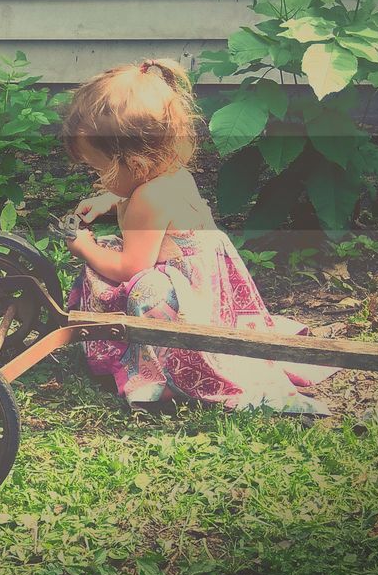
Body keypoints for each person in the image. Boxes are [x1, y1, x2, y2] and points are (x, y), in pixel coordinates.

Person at [60, 58, 337, 413]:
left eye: (99, 169)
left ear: (136, 162)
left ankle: (161, 376)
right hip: (205, 287)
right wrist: (109, 200)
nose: (98, 177)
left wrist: (85, 248)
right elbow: (147, 206)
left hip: (180, 299)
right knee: (114, 256)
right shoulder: (170, 175)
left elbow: (131, 267)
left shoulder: (148, 197)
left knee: (126, 278)